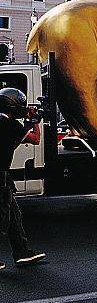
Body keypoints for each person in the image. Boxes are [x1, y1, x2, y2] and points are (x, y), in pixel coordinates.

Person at [0, 88, 46, 270]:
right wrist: (34, 122)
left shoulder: (6, 123)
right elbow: (35, 139)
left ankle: (22, 252)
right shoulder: (9, 124)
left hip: (4, 175)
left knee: (13, 214)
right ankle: (22, 251)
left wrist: (27, 122)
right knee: (2, 215)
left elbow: (13, 143)